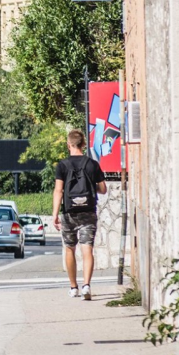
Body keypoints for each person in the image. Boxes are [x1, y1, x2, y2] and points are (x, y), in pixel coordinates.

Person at [52, 128, 108, 301]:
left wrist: (55, 214)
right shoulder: (92, 164)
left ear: (69, 144)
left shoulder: (62, 165)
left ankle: (73, 287)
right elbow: (103, 189)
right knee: (87, 248)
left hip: (69, 213)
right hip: (88, 212)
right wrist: (91, 186)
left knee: (69, 247)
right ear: (83, 144)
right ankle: (86, 286)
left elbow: (58, 190)